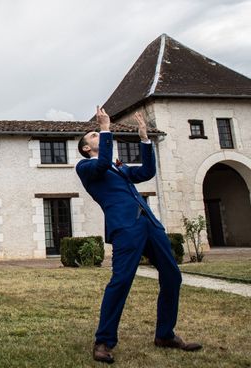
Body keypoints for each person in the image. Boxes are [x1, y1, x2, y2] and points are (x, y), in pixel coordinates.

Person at [77, 107, 201, 364]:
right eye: (92, 136)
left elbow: (146, 173)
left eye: (97, 134)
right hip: (125, 227)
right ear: (86, 148)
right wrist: (105, 128)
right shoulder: (85, 167)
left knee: (172, 276)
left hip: (148, 223)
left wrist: (144, 138)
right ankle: (103, 341)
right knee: (121, 280)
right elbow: (102, 164)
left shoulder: (119, 166)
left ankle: (165, 335)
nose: (97, 136)